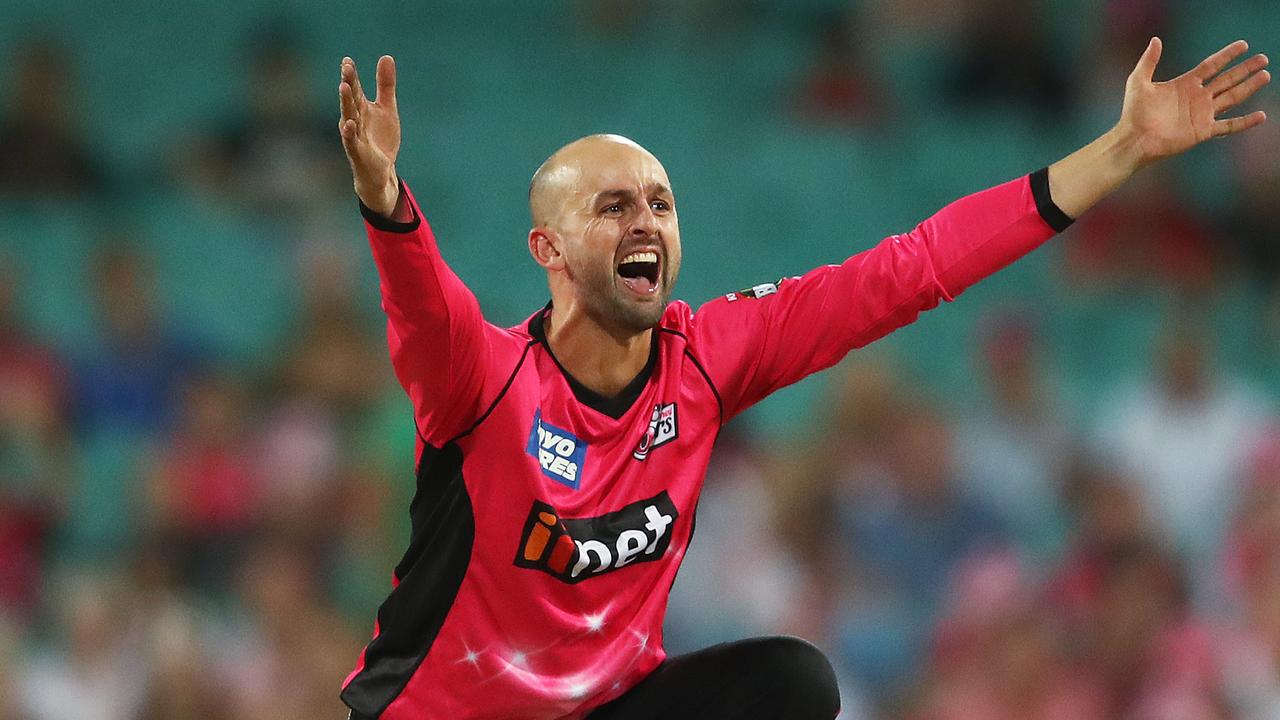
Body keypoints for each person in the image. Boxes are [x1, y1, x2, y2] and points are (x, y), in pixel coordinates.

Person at [334, 37, 1270, 720]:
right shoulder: (485, 379)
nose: (646, 224)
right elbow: (422, 302)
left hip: (602, 710)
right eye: (612, 207)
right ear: (548, 247)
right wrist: (384, 199)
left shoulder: (707, 358)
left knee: (792, 685)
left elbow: (911, 270)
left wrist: (1121, 150)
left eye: (660, 204)